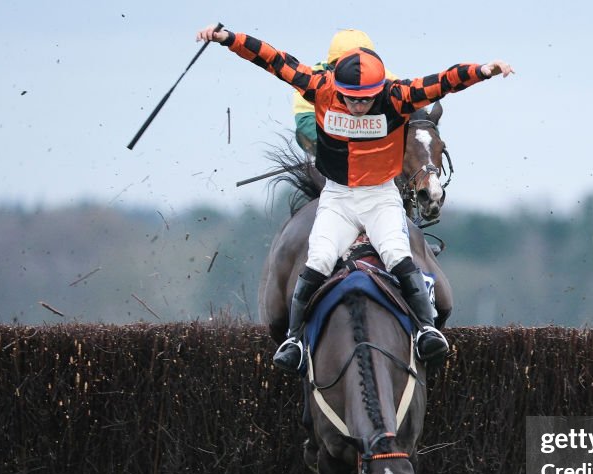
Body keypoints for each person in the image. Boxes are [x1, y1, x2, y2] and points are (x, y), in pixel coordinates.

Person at [196, 24, 514, 374]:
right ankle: (294, 340)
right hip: (338, 196)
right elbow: (273, 60)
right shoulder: (320, 86)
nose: (358, 106)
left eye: (365, 99)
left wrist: (483, 71)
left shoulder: (397, 95)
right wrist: (228, 39)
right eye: (351, 98)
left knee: (396, 254)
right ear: (338, 86)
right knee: (318, 258)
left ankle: (426, 331)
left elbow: (443, 81)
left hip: (380, 197)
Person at [293, 29, 398, 155]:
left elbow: (411, 109)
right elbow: (305, 123)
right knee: (301, 135)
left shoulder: (387, 77)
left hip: (374, 143)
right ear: (333, 64)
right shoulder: (312, 79)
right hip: (333, 145)